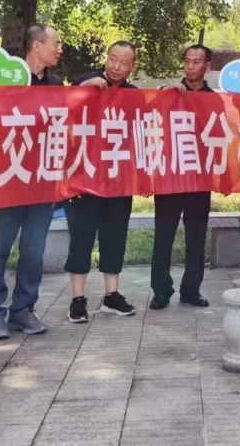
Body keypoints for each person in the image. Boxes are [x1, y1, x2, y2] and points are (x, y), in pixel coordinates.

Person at [0, 24, 64, 339]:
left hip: (42, 178)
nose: (60, 50)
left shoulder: (55, 84)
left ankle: (23, 310)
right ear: (36, 46)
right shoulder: (5, 77)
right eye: (56, 43)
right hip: (7, 176)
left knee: (33, 250)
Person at [65, 41, 140, 324]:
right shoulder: (85, 81)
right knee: (82, 237)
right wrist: (84, 88)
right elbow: (63, 109)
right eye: (112, 59)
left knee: (115, 237)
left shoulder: (134, 95)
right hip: (85, 178)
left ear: (132, 67)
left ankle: (112, 295)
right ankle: (77, 299)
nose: (116, 67)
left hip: (119, 179)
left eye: (124, 63)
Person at [149, 44, 215, 309]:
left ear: (207, 67)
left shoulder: (214, 99)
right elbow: (150, 118)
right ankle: (161, 290)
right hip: (170, 176)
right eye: (187, 61)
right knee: (163, 236)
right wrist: (166, 94)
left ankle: (191, 290)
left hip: (199, 178)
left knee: (196, 237)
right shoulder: (170, 93)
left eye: (196, 62)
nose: (190, 66)